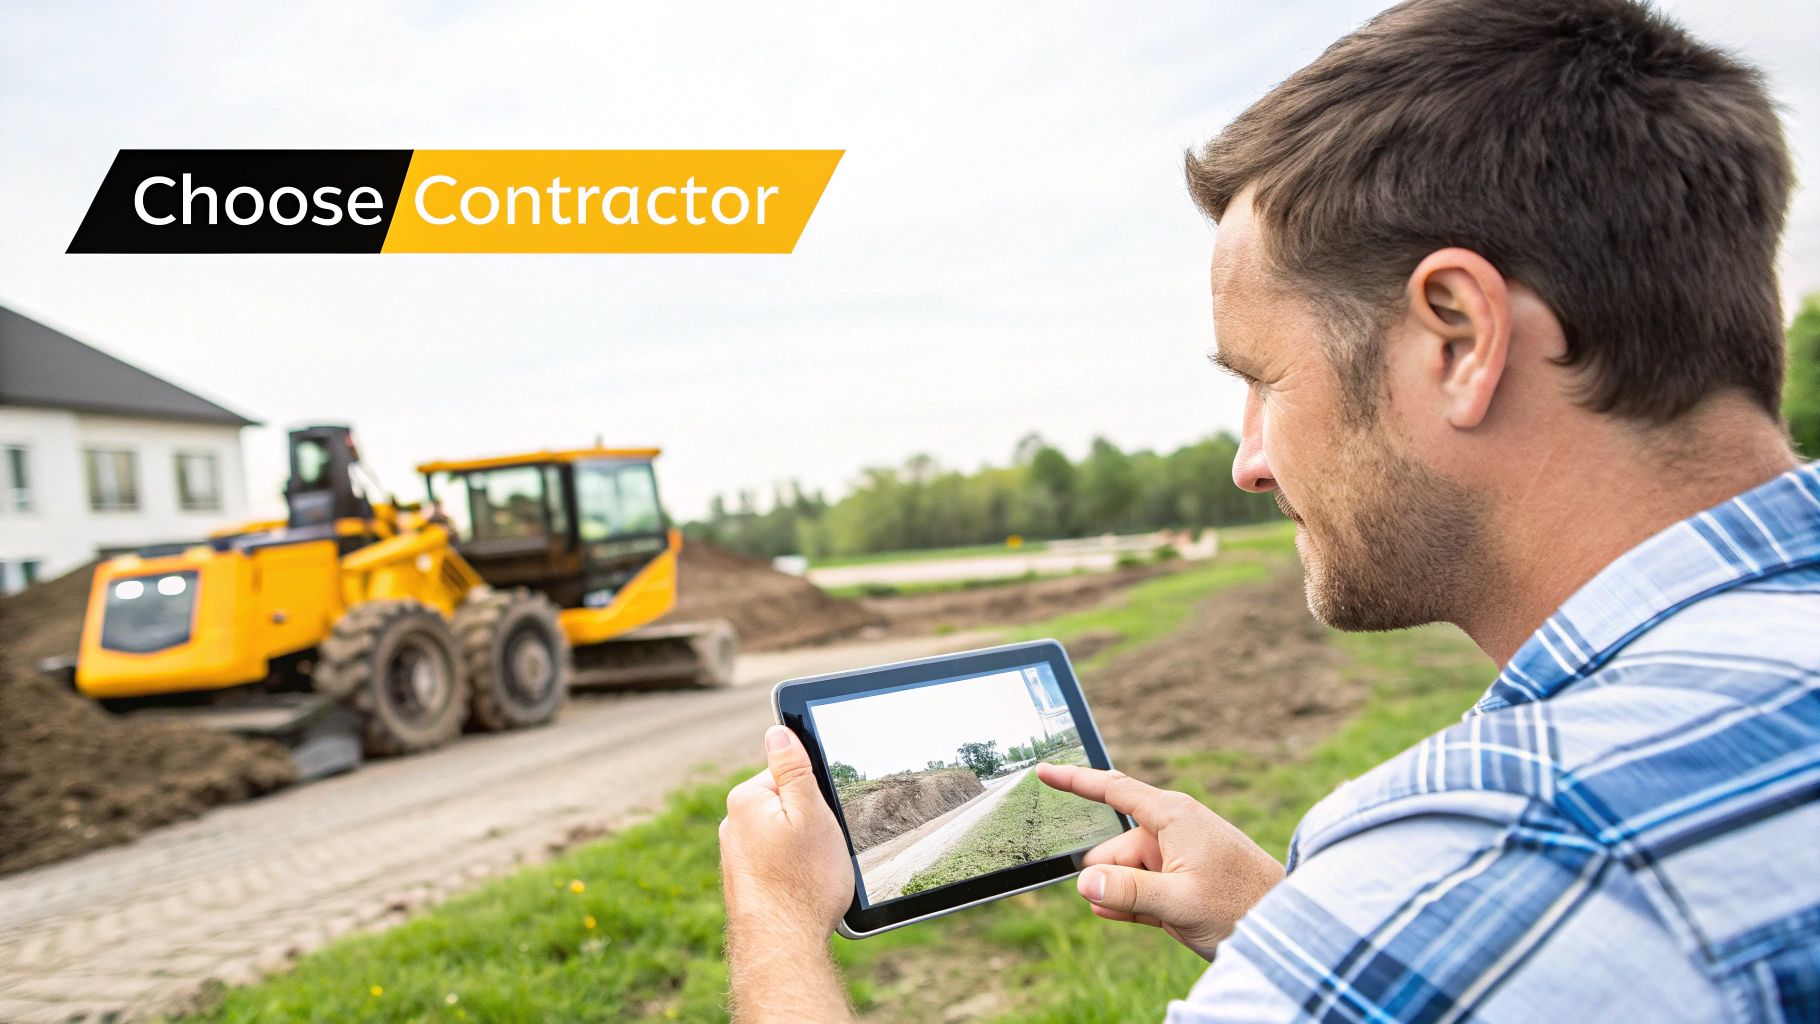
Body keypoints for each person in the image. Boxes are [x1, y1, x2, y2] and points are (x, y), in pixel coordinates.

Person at [718, 0, 1820, 1018]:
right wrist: (1296, 925)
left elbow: (1519, 904)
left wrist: (774, 920)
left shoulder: (1502, 850)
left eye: (1263, 379)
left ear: (1457, 337)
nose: (1248, 462)